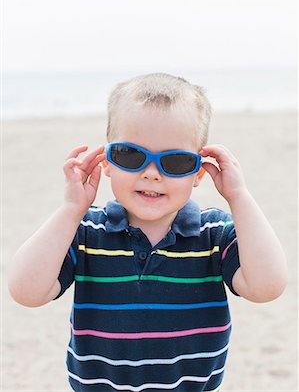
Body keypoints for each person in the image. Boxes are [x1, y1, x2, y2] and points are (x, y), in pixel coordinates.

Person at [8, 73, 288, 392]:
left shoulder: (214, 233)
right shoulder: (86, 231)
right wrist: (71, 210)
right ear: (107, 162)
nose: (152, 174)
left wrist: (240, 198)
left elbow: (267, 287)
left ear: (198, 172)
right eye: (131, 155)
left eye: (176, 161)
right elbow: (26, 292)